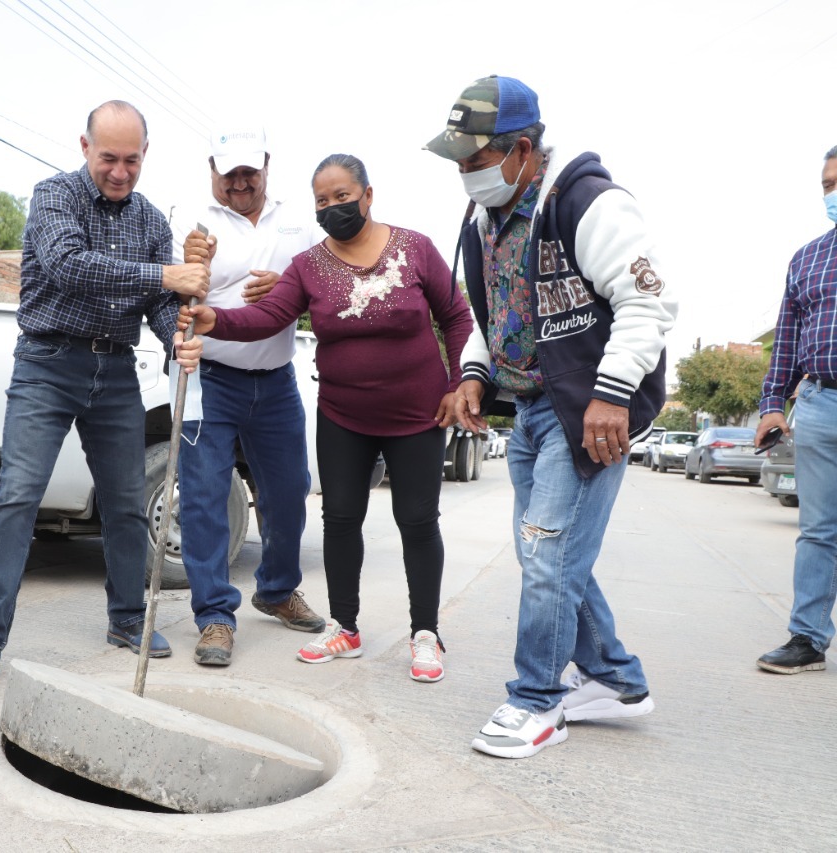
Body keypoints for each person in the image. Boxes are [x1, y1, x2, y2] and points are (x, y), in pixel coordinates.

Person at [426, 75, 677, 758]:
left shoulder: (587, 202)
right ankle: (617, 680)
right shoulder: (487, 220)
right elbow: (493, 315)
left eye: (477, 160)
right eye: (459, 162)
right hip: (532, 410)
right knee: (554, 555)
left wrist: (613, 392)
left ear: (523, 149)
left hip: (589, 414)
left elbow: (648, 303)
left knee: (547, 555)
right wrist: (476, 373)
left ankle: (537, 700)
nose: (466, 174)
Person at [183, 153, 473, 681]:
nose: (333, 207)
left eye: (343, 196)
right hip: (343, 414)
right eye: (323, 200)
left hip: (417, 415)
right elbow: (267, 317)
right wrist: (213, 320)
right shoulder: (309, 265)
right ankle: (345, 626)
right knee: (340, 520)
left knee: (417, 521)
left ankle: (425, 634)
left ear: (367, 195)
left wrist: (459, 384)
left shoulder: (414, 249)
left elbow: (456, 316)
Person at [0, 101, 208, 681]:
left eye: (132, 160)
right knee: (17, 495)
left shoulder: (150, 222)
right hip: (46, 364)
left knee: (123, 503)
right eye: (108, 157)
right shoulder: (53, 195)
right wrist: (166, 276)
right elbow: (69, 265)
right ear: (85, 146)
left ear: (146, 155)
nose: (120, 171)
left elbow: (162, 306)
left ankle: (127, 619)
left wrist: (178, 337)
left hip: (114, 371)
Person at [169, 127, 326, 667]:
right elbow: (173, 297)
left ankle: (277, 590)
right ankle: (214, 616)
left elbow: (318, 284)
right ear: (211, 170)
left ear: (266, 166)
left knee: (290, 490)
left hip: (276, 379)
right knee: (205, 498)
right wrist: (194, 269)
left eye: (248, 172)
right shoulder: (190, 222)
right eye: (228, 172)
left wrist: (286, 288)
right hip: (209, 378)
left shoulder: (298, 222)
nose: (239, 182)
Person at [755, 145, 837, 676]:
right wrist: (770, 404)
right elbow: (785, 342)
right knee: (819, 529)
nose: (833, 193)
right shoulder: (807, 258)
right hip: (822, 403)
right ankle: (807, 637)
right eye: (828, 184)